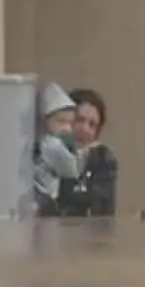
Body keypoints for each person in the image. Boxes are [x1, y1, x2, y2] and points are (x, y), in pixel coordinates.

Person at [56, 88, 118, 216]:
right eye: (79, 120)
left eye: (92, 125)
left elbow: (102, 210)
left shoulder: (102, 159)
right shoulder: (46, 154)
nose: (85, 129)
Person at [32, 82, 83, 217]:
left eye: (70, 123)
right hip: (46, 197)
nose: (67, 128)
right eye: (61, 121)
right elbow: (72, 171)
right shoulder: (54, 145)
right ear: (46, 120)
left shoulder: (40, 142)